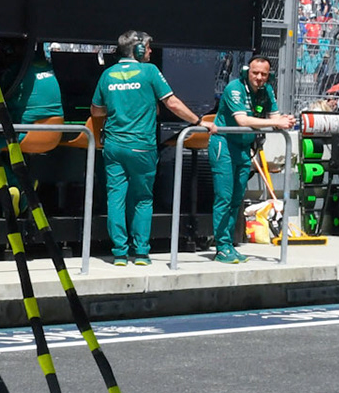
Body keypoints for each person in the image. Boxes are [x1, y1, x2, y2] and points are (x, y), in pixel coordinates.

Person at [88, 30, 206, 265]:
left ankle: (119, 253)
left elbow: (96, 111)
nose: (151, 51)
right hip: (141, 146)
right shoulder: (149, 71)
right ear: (138, 49)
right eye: (149, 47)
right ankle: (141, 252)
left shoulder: (107, 74)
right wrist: (198, 122)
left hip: (113, 145)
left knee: (116, 198)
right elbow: (172, 103)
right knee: (142, 198)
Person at [209, 54, 292, 264]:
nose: (259, 78)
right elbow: (242, 119)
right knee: (224, 198)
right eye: (255, 73)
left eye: (264, 74)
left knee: (237, 199)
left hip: (244, 148)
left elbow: (275, 117)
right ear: (247, 72)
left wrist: (284, 120)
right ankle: (222, 246)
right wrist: (276, 123)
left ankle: (229, 245)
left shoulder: (267, 91)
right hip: (224, 145)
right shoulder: (234, 88)